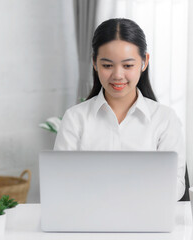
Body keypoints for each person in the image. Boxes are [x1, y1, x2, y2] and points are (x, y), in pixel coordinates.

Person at [54, 18, 185, 200]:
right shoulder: (75, 119)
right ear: (94, 62)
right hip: (88, 219)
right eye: (107, 65)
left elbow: (176, 187)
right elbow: (60, 182)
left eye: (128, 65)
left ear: (144, 62)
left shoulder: (164, 119)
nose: (117, 75)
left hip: (146, 217)